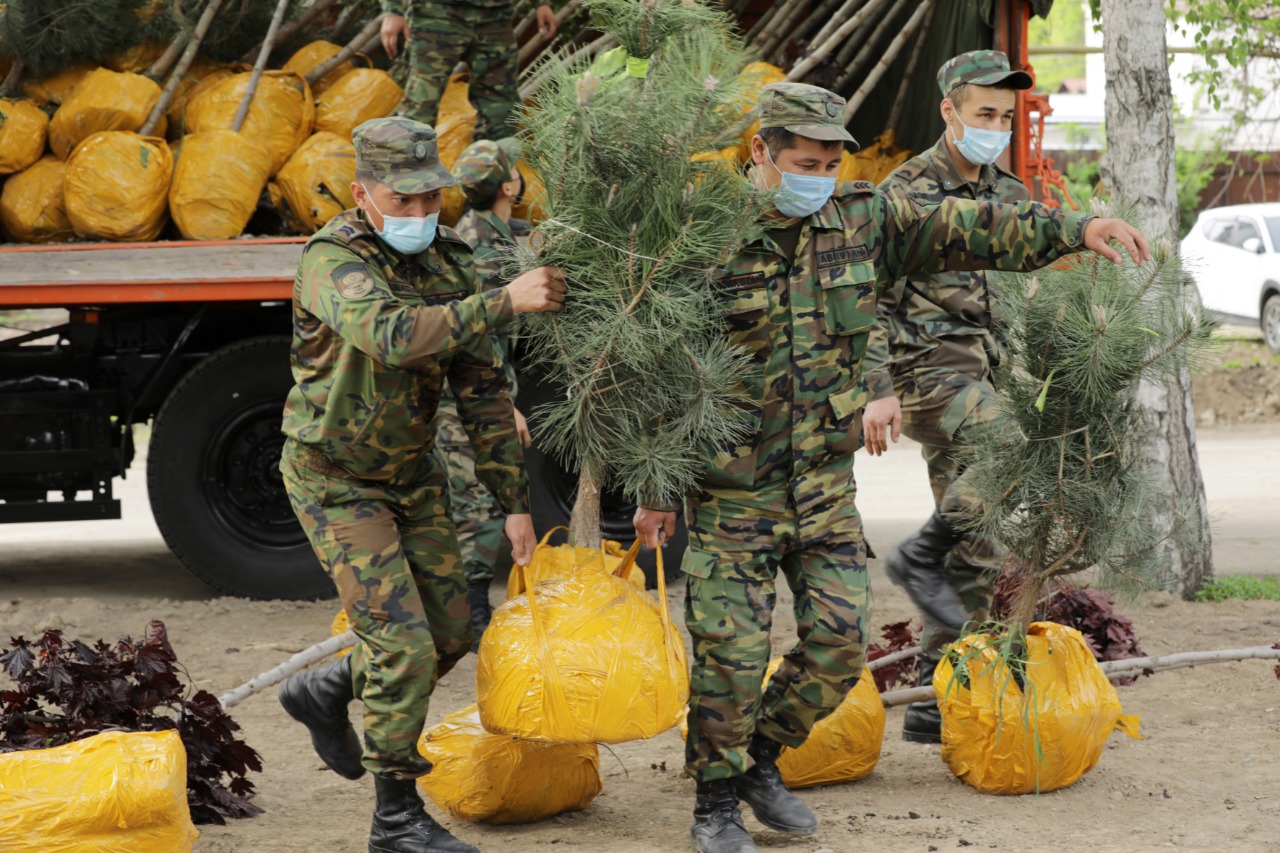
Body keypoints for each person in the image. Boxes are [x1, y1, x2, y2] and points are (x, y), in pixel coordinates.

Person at [631, 82, 1148, 853]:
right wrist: (654, 487)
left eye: (832, 163)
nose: (821, 176)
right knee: (730, 659)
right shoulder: (705, 237)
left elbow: (973, 224)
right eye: (805, 162)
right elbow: (659, 367)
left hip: (823, 487)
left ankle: (760, 759)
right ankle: (714, 801)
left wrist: (1080, 226)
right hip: (731, 490)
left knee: (840, 646)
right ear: (760, 153)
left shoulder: (862, 218)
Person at [275, 116, 565, 853]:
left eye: (430, 201)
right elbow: (392, 336)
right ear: (361, 194)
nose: (419, 216)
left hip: (412, 473)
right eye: (401, 203)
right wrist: (506, 299)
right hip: (334, 480)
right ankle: (395, 820)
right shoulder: (331, 259)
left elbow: (483, 395)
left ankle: (330, 688)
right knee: (401, 645)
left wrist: (513, 506)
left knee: (451, 630)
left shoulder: (451, 263)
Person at [861, 49, 1035, 745]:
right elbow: (867, 298)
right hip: (928, 372)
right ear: (948, 111)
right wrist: (877, 390)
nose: (996, 125)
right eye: (983, 113)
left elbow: (1020, 300)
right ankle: (915, 555)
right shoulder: (903, 192)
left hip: (990, 378)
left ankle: (938, 700)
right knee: (1007, 451)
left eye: (1005, 116)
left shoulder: (1013, 196)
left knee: (980, 545)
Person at [431, 137, 529, 645]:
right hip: (467, 395)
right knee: (479, 500)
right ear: (508, 185)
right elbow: (483, 340)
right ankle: (470, 616)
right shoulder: (486, 250)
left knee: (464, 496)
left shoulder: (471, 232)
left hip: (456, 391)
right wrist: (506, 404)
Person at [380, 0, 557, 140]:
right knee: (422, 103)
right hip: (437, 13)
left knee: (500, 109)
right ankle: (405, 178)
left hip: (495, 17)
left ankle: (489, 179)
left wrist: (541, 3)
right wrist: (392, 10)